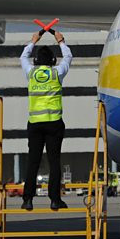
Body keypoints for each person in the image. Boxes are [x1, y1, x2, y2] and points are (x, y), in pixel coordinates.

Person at [19, 29, 72, 211]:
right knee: (54, 162)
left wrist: (33, 40)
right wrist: (61, 41)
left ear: (35, 61)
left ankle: (27, 199)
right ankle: (55, 200)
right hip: (54, 123)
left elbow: (23, 57)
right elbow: (68, 57)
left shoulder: (31, 73)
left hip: (35, 124)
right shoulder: (57, 73)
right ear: (52, 61)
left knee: (33, 162)